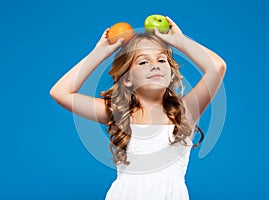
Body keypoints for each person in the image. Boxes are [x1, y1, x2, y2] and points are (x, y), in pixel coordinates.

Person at [50, 16, 226, 200]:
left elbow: (217, 67)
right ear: (127, 78)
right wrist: (100, 52)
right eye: (143, 62)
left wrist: (178, 40)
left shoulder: (185, 112)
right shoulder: (118, 113)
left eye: (161, 60)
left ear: (171, 72)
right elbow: (60, 92)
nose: (154, 66)